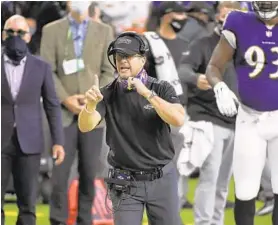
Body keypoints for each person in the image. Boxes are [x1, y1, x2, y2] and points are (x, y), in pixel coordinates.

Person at [78, 31, 185, 225]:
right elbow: (86, 125)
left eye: (128, 56)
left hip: (162, 178)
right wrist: (90, 106)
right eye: (119, 56)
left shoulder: (161, 88)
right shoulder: (107, 93)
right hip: (126, 182)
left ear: (143, 60)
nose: (122, 61)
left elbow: (178, 119)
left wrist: (147, 94)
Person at [40, 2, 114, 225]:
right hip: (62, 114)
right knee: (60, 175)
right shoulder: (51, 30)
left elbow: (109, 71)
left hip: (92, 115)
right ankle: (58, 220)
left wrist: (92, 98)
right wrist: (67, 99)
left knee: (90, 172)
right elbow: (47, 70)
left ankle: (85, 220)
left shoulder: (104, 30)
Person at [205, 2, 278, 225]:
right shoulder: (238, 21)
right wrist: (219, 86)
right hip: (249, 117)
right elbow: (214, 67)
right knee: (245, 191)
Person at [178, 2, 241, 225]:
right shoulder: (203, 44)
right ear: (217, 17)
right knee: (210, 176)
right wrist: (197, 79)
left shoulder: (245, 47)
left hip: (237, 120)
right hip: (208, 116)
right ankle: (204, 223)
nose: (227, 20)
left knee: (224, 181)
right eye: (224, 15)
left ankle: (216, 221)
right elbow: (183, 70)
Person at [1, 15, 65, 225]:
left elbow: (52, 105)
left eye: (20, 32)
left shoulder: (41, 67)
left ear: (29, 37)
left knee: (28, 205)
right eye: (10, 31)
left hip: (29, 142)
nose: (15, 36)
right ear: (3, 34)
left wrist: (58, 141)